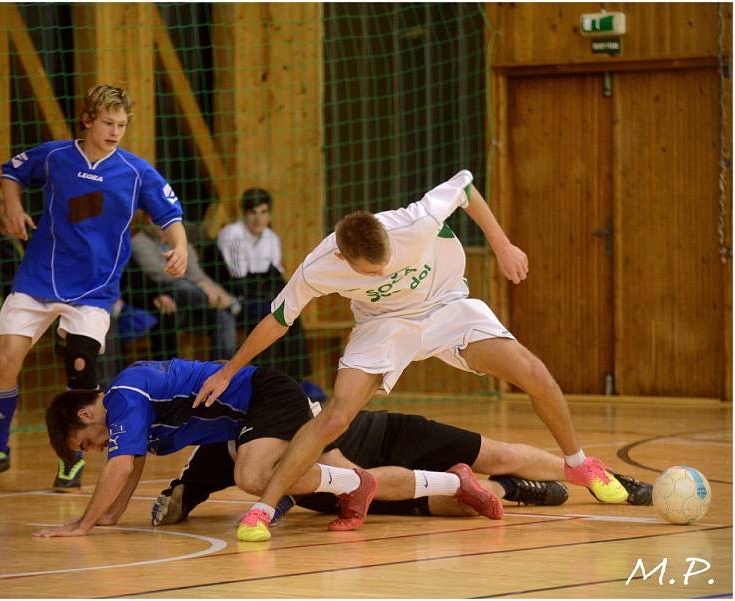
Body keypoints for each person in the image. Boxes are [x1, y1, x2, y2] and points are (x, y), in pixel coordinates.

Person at [195, 169, 631, 542]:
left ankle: (578, 464)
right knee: (335, 417)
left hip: (445, 304)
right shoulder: (319, 266)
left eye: (386, 262)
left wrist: (502, 245)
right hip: (383, 324)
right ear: (345, 257)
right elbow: (277, 319)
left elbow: (466, 187)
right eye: (373, 271)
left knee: (532, 370)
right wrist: (229, 371)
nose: (384, 271)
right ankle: (264, 509)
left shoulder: (412, 223)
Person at [0, 85, 188, 491]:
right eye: (108, 123)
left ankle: (73, 458)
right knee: (5, 362)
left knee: (81, 368)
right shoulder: (55, 156)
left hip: (93, 292)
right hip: (38, 281)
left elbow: (169, 213)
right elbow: (11, 172)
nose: (115, 131)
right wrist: (13, 205)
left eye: (122, 124)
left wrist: (181, 247)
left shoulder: (136, 172)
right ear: (87, 120)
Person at [31, 358, 507, 538]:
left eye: (84, 443)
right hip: (251, 423)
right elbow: (128, 464)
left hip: (267, 396)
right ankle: (453, 480)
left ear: (85, 415)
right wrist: (111, 516)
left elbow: (119, 462)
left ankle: (356, 482)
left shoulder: (124, 394)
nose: (93, 448)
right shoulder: (136, 421)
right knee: (360, 478)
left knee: (255, 480)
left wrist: (83, 524)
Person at [151, 409, 652, 527]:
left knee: (493, 450)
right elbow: (184, 495)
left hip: (383, 435)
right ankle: (521, 491)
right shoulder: (216, 449)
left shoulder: (275, 405)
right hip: (336, 490)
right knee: (454, 506)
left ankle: (606, 480)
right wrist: (173, 504)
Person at [215, 188, 314, 386]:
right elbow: (237, 282)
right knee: (270, 316)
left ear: (269, 214)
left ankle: (295, 381)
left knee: (290, 314)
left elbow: (276, 276)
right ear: (244, 213)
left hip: (262, 296)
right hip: (234, 298)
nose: (258, 219)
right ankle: (267, 381)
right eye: (253, 213)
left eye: (263, 212)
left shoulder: (272, 238)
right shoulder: (232, 234)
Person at [129, 221, 238, 360]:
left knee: (223, 315)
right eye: (153, 218)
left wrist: (216, 291)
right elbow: (161, 274)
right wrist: (200, 285)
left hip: (192, 304)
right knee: (181, 285)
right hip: (163, 296)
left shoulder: (180, 243)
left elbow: (199, 275)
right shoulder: (139, 242)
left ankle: (221, 371)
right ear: (145, 219)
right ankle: (229, 303)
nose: (159, 222)